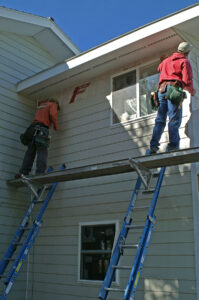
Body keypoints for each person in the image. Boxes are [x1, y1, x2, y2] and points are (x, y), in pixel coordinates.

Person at [150, 41, 195, 154]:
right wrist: (192, 91)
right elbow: (187, 80)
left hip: (161, 90)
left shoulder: (166, 61)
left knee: (160, 120)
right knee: (174, 119)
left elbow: (159, 68)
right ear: (187, 52)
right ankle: (173, 146)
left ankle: (153, 146)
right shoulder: (184, 61)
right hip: (173, 90)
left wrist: (164, 61)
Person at [15, 98, 60, 178]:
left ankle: (23, 172)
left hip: (32, 129)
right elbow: (53, 114)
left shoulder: (42, 105)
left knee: (30, 152)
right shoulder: (53, 104)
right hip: (42, 130)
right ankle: (40, 173)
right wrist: (56, 126)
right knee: (42, 151)